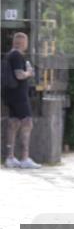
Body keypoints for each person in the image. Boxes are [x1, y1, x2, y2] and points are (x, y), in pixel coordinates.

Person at [2, 32, 39, 168]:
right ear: (23, 42)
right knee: (27, 123)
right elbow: (19, 75)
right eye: (26, 42)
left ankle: (10, 157)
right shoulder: (17, 56)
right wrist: (29, 73)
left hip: (10, 94)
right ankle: (24, 158)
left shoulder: (9, 55)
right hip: (19, 96)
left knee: (13, 123)